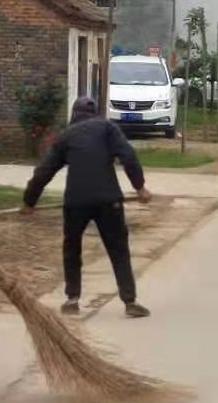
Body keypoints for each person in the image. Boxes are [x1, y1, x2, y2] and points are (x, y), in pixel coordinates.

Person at [21, 96, 153, 318]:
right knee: (118, 249)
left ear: (74, 114)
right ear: (95, 113)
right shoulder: (108, 128)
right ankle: (130, 301)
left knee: (72, 249)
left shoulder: (66, 136)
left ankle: (72, 299)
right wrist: (139, 187)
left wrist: (29, 201)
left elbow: (45, 170)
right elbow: (128, 156)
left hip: (76, 202)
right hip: (108, 200)